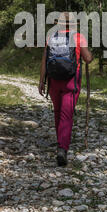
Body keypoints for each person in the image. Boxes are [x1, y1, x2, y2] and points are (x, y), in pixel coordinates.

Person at [38, 12, 93, 166]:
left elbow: (44, 60)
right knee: (66, 115)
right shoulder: (78, 37)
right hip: (71, 81)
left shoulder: (51, 37)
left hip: (54, 81)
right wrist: (91, 55)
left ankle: (60, 143)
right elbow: (87, 58)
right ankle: (62, 148)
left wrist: (41, 81)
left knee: (57, 113)